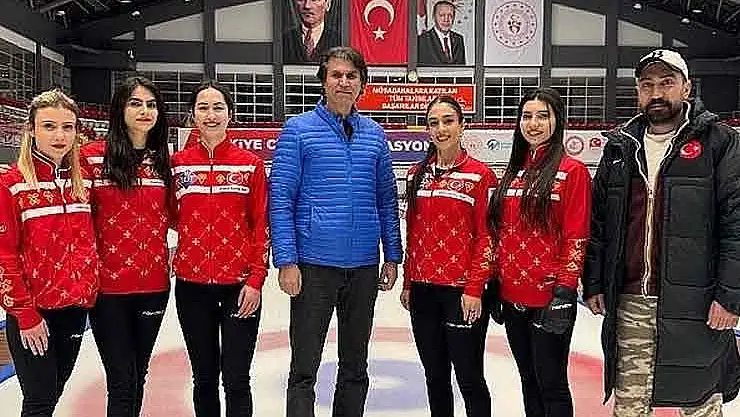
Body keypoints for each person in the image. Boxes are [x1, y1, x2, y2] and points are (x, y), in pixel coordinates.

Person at [583, 49, 740, 416]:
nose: (656, 93)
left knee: (700, 403)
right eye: (647, 85)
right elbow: (600, 223)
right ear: (638, 92)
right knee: (630, 406)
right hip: (631, 302)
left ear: (686, 88)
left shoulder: (719, 141)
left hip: (698, 304)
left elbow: (735, 224)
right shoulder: (621, 146)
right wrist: (594, 281)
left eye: (667, 83)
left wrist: (729, 297)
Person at [270, 46, 403, 417]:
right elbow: (281, 199)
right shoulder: (298, 131)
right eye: (336, 75)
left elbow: (386, 199)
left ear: (362, 83)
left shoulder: (374, 135)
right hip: (314, 266)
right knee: (304, 367)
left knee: (355, 366)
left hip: (363, 267)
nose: (344, 82)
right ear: (324, 81)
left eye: (351, 76)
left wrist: (392, 255)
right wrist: (287, 260)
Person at [488, 87, 591, 417]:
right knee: (528, 380)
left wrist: (564, 292)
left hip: (549, 298)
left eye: (542, 116)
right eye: (527, 116)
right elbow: (501, 233)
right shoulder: (514, 173)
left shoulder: (572, 172)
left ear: (557, 121)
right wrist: (495, 283)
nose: (533, 124)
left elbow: (576, 236)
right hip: (511, 296)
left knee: (552, 384)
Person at [170, 80, 269, 417]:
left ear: (230, 114)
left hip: (239, 288)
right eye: (203, 108)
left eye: (218, 108)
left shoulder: (250, 164)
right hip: (191, 288)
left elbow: (261, 225)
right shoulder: (178, 165)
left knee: (237, 379)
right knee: (204, 379)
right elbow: (170, 215)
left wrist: (255, 281)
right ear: (192, 114)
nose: (210, 115)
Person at [0, 89, 99, 417]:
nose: (59, 136)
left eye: (67, 127)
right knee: (39, 401)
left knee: (53, 394)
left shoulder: (83, 183)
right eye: (49, 126)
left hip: (75, 309)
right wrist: (26, 315)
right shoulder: (12, 185)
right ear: (31, 130)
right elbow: (4, 256)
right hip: (34, 313)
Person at [80, 76, 172, 417]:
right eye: (135, 103)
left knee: (138, 374)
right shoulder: (91, 158)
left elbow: (180, 215)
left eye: (151, 104)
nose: (144, 111)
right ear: (119, 109)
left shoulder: (163, 161)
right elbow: (78, 221)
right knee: (121, 380)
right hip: (108, 289)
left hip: (153, 287)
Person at [401, 95, 496, 417]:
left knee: (469, 377)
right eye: (434, 123)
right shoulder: (416, 173)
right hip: (423, 291)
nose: (441, 129)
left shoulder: (481, 175)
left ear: (462, 126)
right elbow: (413, 234)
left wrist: (474, 289)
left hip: (461, 292)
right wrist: (408, 283)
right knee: (435, 376)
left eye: (448, 121)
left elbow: (487, 237)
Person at [418, 0, 466, 65]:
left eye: (450, 15)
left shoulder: (459, 39)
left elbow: (462, 68)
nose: (446, 19)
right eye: (442, 15)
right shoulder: (422, 40)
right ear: (434, 17)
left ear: (454, 18)